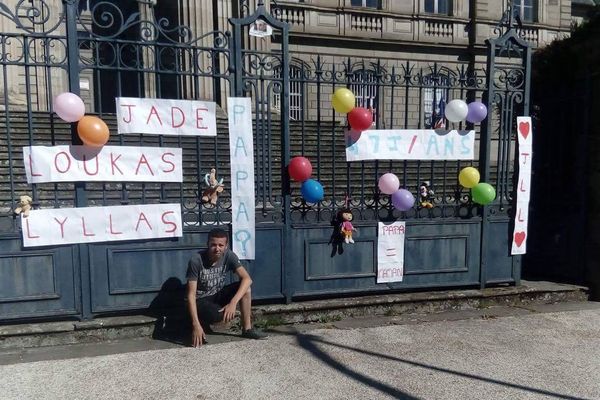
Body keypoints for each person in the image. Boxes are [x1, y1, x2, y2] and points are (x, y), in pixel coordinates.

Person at [186, 228, 267, 347]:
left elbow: (247, 279)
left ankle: (247, 329)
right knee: (217, 315)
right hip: (201, 299)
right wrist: (195, 325)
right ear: (207, 244)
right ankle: (198, 325)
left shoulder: (229, 255)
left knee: (246, 289)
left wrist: (233, 303)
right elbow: (191, 295)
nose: (217, 248)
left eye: (220, 245)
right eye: (213, 245)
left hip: (217, 294)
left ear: (225, 246)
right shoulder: (196, 260)